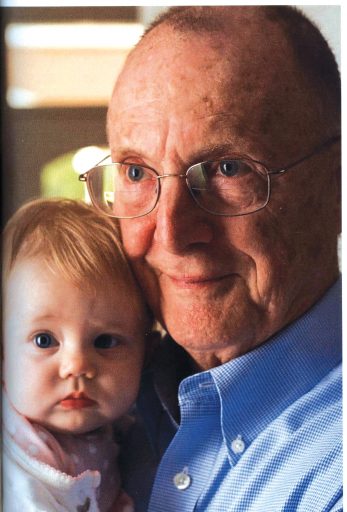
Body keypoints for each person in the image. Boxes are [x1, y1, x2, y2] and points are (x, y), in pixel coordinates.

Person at [80, 5, 342, 512]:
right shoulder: (97, 396)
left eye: (226, 168)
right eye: (136, 173)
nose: (173, 235)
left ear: (336, 185)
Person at [2, 198, 153, 512]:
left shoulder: (128, 428)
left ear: (147, 353)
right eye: (45, 340)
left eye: (105, 341)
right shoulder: (17, 452)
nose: (77, 366)